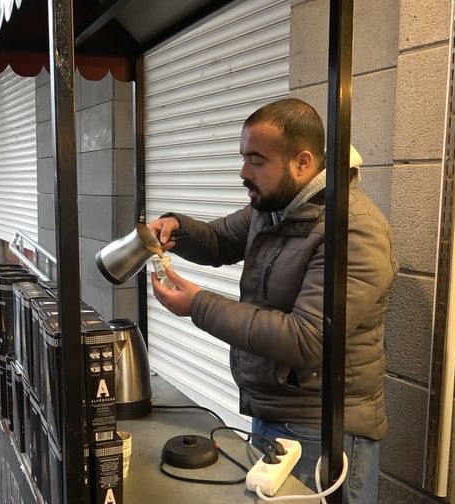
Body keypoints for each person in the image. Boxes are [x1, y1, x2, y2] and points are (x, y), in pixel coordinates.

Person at [147, 98, 397, 504]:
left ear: (302, 162)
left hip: (322, 429)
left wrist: (197, 304)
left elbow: (307, 338)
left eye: (256, 160)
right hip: (274, 413)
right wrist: (178, 227)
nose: (244, 172)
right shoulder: (276, 208)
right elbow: (220, 240)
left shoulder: (354, 233)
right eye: (244, 158)